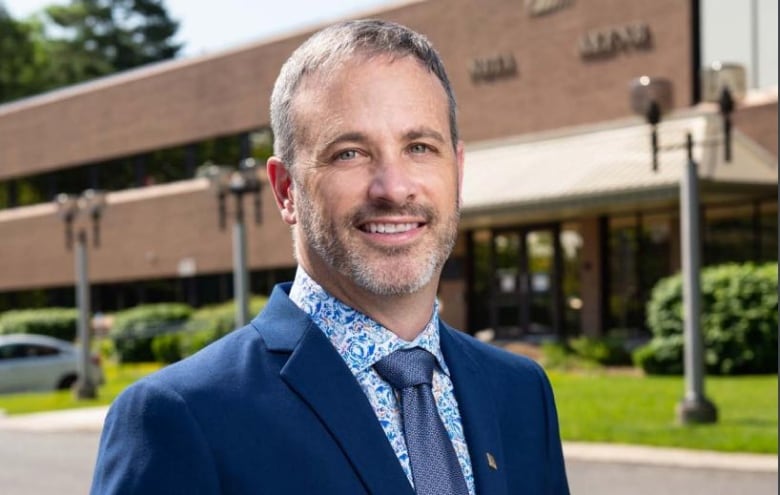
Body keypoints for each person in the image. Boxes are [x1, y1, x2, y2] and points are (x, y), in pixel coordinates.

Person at [91, 19, 570, 495]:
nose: (393, 188)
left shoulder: (521, 392)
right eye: (350, 153)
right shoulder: (179, 416)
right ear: (285, 191)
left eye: (419, 147)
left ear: (457, 171)